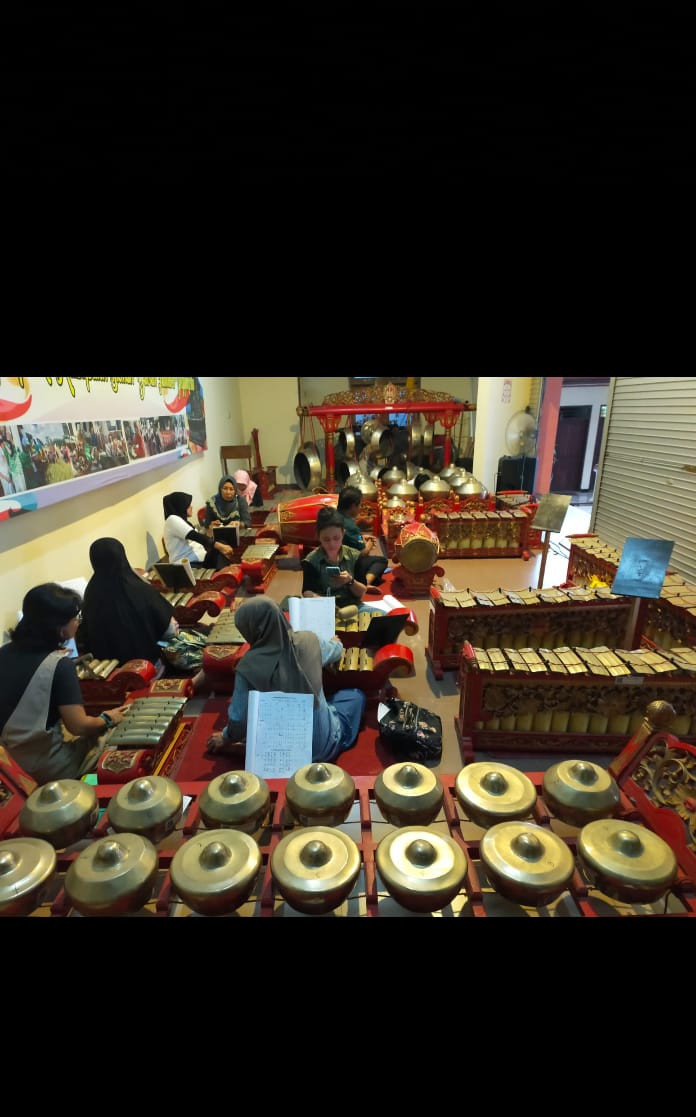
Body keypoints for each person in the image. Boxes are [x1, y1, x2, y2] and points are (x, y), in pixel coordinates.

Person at [205, 597, 366, 764]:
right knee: (355, 696)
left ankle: (246, 748)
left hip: (278, 750)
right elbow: (337, 652)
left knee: (257, 722)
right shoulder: (311, 640)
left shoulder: (247, 668)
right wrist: (335, 643)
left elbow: (238, 720)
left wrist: (226, 737)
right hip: (323, 748)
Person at [0, 583, 129, 785]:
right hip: (50, 768)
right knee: (120, 738)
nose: (78, 623)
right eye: (75, 618)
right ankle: (93, 787)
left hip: (10, 765)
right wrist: (107, 718)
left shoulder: (4, 652)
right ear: (60, 628)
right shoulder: (58, 665)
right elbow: (79, 726)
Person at [79, 537, 179, 667]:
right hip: (148, 668)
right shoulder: (141, 589)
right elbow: (170, 632)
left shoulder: (90, 594)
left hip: (107, 672)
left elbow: (86, 637)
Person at [301, 506, 384, 614]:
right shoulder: (311, 560)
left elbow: (361, 592)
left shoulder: (354, 556)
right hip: (323, 609)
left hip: (352, 608)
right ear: (318, 536)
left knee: (384, 617)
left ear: (343, 533)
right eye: (326, 539)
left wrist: (350, 581)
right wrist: (325, 603)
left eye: (336, 538)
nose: (332, 544)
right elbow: (307, 592)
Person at [162, 491, 236, 570]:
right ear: (180, 506)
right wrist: (221, 547)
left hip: (200, 560)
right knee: (220, 547)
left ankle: (227, 571)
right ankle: (227, 572)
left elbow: (197, 542)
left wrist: (210, 531)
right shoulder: (172, 519)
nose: (191, 507)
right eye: (188, 505)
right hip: (188, 564)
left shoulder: (184, 522)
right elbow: (195, 536)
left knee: (222, 542)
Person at [336, 484, 388, 587]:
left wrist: (361, 537)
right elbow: (362, 552)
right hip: (348, 565)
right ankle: (366, 583)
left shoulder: (333, 515)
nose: (360, 508)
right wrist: (369, 544)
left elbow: (346, 537)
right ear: (352, 506)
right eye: (359, 505)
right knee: (381, 561)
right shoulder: (350, 526)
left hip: (331, 561)